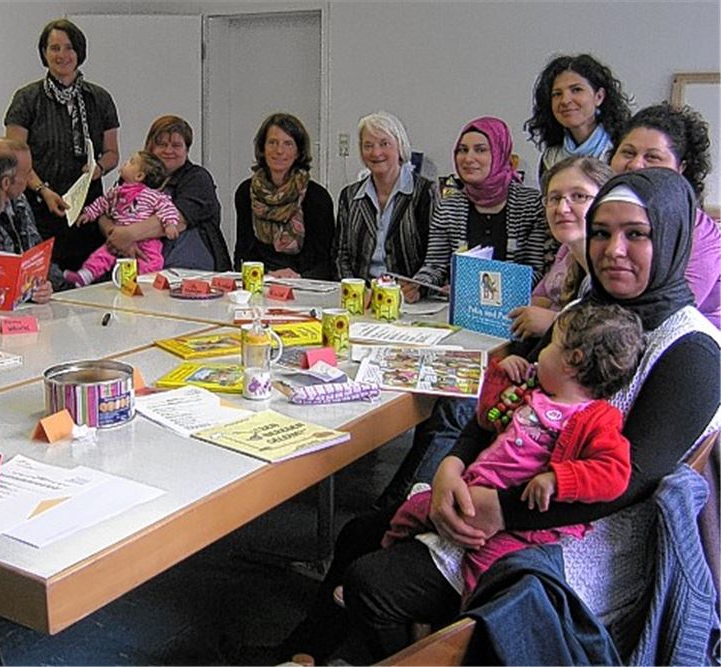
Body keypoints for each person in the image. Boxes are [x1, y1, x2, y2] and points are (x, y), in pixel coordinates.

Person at [268, 168, 720, 664]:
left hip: (577, 542)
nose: (613, 249)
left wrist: (500, 508)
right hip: (504, 489)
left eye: (637, 234)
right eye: (601, 232)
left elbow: (628, 480)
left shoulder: (691, 350)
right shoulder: (585, 312)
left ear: (674, 236)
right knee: (357, 535)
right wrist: (450, 467)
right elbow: (505, 405)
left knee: (370, 582)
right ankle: (303, 654)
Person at [374, 302, 642, 600]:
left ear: (572, 360)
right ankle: (389, 548)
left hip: (518, 521)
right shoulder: (535, 390)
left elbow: (615, 473)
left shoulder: (598, 419)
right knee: (410, 510)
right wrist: (501, 376)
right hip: (473, 488)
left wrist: (558, 479)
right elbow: (487, 416)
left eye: (551, 345)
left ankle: (471, 623)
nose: (541, 354)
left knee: (486, 564)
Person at [5, 18, 120, 271]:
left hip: (87, 210)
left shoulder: (99, 98)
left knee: (89, 279)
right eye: (54, 48)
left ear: (79, 52)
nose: (62, 55)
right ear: (44, 53)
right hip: (40, 207)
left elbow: (112, 154)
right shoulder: (27, 99)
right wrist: (42, 190)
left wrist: (96, 169)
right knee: (46, 280)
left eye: (69, 47)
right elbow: (13, 157)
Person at [405, 117, 549, 303]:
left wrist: (479, 289)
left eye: (480, 150)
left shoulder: (530, 204)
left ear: (499, 154)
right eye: (462, 150)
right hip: (460, 311)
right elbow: (435, 266)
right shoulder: (449, 206)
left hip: (515, 313)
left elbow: (535, 272)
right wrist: (419, 285)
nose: (468, 158)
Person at [609, 102, 721, 328]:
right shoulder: (604, 218)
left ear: (681, 169)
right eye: (628, 152)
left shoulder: (699, 232)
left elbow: (670, 313)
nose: (635, 165)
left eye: (652, 157)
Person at [103, 115, 231, 272]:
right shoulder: (133, 175)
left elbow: (177, 220)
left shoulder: (197, 178)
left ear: (187, 149)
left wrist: (128, 235)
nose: (168, 151)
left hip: (187, 268)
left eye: (176, 145)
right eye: (162, 144)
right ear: (150, 147)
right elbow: (105, 213)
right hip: (134, 264)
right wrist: (115, 235)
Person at [508, 156, 613, 339]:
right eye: (554, 198)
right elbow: (540, 298)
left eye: (579, 196)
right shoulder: (566, 252)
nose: (562, 209)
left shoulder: (616, 269)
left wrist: (555, 321)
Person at [334, 111, 438, 282]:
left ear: (400, 146)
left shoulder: (425, 192)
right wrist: (353, 287)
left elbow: (435, 255)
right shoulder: (350, 196)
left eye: (384, 144)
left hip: (410, 297)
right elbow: (340, 254)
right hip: (361, 295)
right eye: (368, 146)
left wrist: (418, 286)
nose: (376, 153)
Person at [233, 112, 334, 279]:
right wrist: (267, 275)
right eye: (272, 142)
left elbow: (325, 261)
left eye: (288, 144)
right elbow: (242, 253)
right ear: (262, 148)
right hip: (261, 280)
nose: (279, 150)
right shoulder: (246, 192)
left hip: (305, 283)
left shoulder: (317, 198)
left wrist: (298, 277)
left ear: (298, 151)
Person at [65, 150, 180, 286]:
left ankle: (144, 282)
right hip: (118, 239)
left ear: (139, 176)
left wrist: (170, 224)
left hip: (146, 240)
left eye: (131, 162)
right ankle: (84, 276)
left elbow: (167, 207)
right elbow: (102, 203)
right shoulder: (117, 192)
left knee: (152, 261)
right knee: (102, 255)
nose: (126, 162)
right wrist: (89, 214)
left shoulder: (151, 195)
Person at [0, 136, 58, 299]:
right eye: (26, 174)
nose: (29, 181)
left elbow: (36, 252)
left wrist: (44, 285)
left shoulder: (18, 200)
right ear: (6, 183)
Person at [524, 54, 632, 177]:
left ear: (599, 97)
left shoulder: (622, 149)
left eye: (576, 90)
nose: (565, 100)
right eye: (557, 94)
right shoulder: (550, 159)